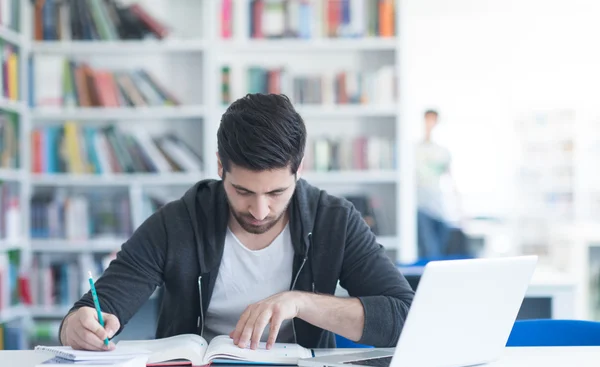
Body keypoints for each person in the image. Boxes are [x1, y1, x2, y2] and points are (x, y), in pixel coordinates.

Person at [59, 93, 415, 352]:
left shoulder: (334, 221)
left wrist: (300, 303)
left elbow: (404, 318)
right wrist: (78, 326)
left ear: (299, 170)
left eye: (276, 192)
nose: (259, 210)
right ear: (220, 167)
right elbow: (95, 308)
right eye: (243, 191)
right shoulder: (177, 221)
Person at [415, 109, 462, 258]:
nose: (430, 124)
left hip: (439, 208)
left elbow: (451, 178)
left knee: (441, 251)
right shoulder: (414, 149)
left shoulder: (442, 151)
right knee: (430, 250)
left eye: (433, 121)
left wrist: (460, 207)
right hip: (420, 206)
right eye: (427, 120)